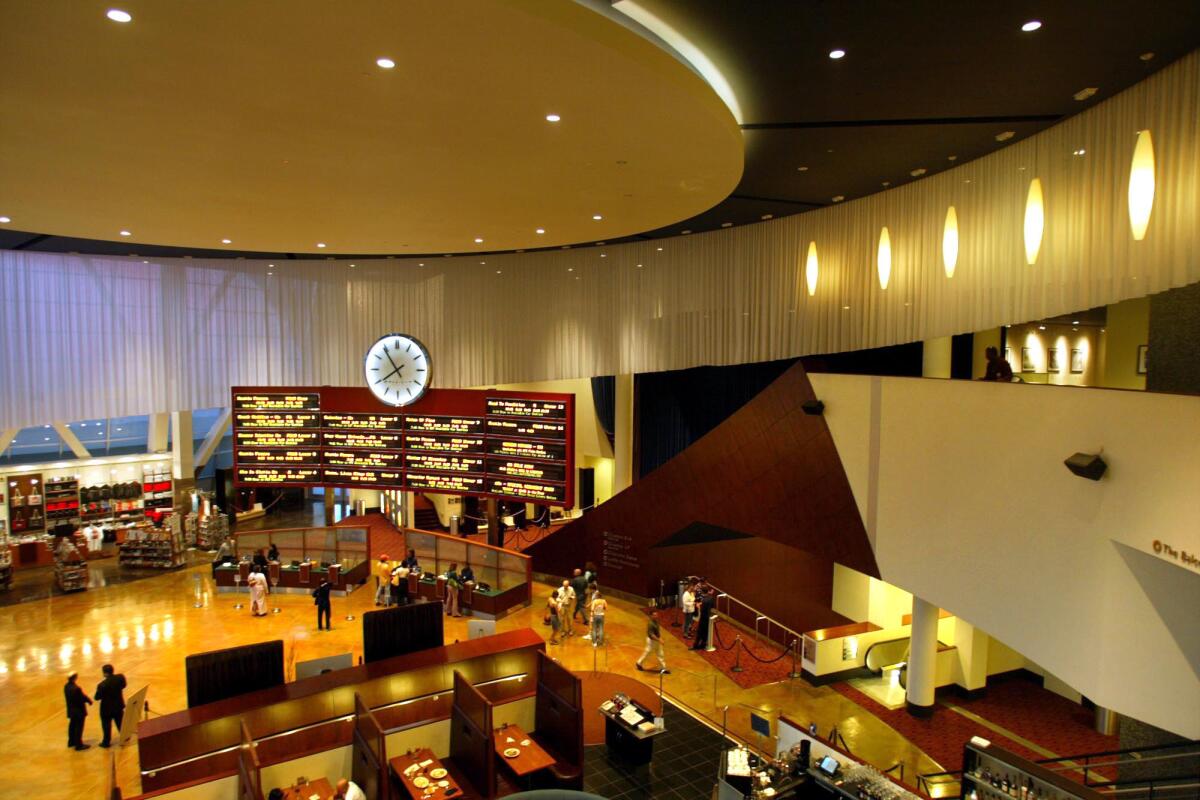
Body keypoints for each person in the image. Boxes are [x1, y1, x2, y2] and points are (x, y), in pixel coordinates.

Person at [94, 663, 127, 748]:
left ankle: (106, 742)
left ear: (105, 673)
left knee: (106, 726)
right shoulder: (120, 678)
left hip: (106, 709)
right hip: (118, 706)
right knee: (120, 723)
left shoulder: (102, 685)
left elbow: (97, 697)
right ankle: (124, 736)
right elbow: (124, 685)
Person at [64, 672, 93, 750]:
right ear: (75, 678)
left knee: (72, 726)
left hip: (71, 711)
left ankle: (71, 741)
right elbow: (82, 698)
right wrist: (89, 701)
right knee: (78, 728)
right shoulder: (76, 688)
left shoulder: (66, 686)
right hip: (78, 712)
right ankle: (78, 745)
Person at [692, 585, 716, 651]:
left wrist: (698, 606)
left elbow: (701, 610)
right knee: (705, 632)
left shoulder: (704, 600)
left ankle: (695, 646)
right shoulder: (710, 598)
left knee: (699, 632)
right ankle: (703, 644)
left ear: (702, 592)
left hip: (703, 617)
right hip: (708, 617)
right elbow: (712, 606)